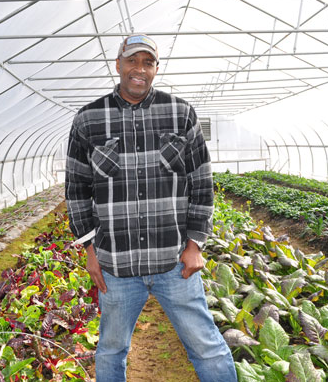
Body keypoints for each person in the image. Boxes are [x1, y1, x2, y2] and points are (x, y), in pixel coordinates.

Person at [65, 34, 237, 382]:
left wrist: (195, 245)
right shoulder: (88, 120)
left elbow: (201, 183)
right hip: (116, 265)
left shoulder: (181, 113)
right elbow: (76, 189)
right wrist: (90, 248)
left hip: (174, 263)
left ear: (156, 69)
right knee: (111, 350)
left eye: (148, 62)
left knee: (207, 346)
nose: (139, 69)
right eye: (132, 61)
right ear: (118, 65)